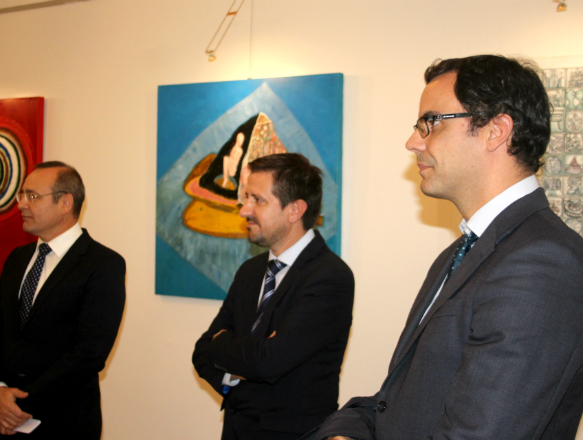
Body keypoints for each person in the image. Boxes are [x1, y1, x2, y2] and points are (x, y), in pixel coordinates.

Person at [306, 54, 583, 440]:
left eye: (431, 122)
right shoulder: (461, 253)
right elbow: (396, 401)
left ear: (496, 130)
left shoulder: (542, 263)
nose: (413, 142)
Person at [193, 153, 355, 440]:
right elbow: (202, 351)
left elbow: (269, 362)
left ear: (295, 210)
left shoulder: (330, 277)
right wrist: (240, 366)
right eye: (246, 197)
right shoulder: (250, 270)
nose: (244, 210)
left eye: (258, 200)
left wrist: (225, 344)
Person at [0, 161, 126, 439]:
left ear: (65, 203)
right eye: (22, 195)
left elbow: (89, 354)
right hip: (7, 423)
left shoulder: (103, 264)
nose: (21, 204)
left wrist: (17, 405)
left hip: (64, 425)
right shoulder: (17, 259)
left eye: (32, 196)